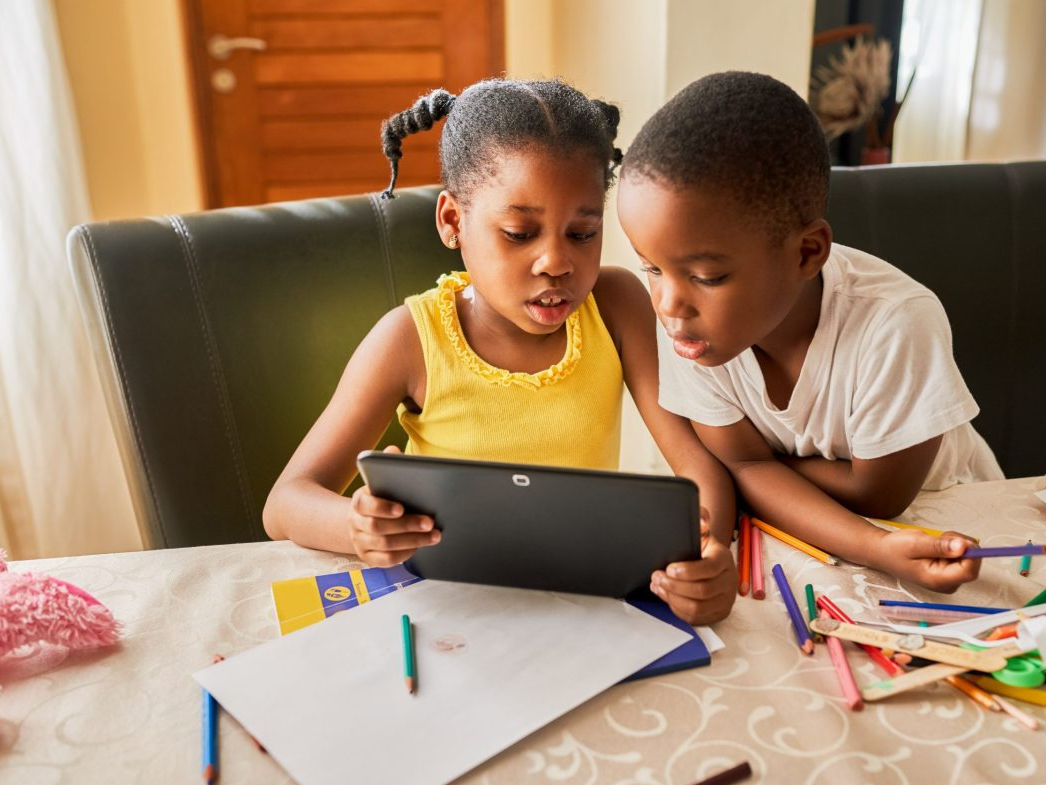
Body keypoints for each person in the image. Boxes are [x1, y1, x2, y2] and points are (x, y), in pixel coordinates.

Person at [263, 78, 736, 623]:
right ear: (452, 222)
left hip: (578, 602)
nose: (556, 262)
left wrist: (707, 555)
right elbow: (287, 501)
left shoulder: (615, 305)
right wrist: (358, 526)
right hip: (446, 609)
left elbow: (695, 464)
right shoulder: (409, 340)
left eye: (582, 234)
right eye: (518, 232)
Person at [616, 71, 1004, 593]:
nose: (668, 305)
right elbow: (742, 464)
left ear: (807, 252)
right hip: (826, 533)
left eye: (707, 277)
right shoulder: (693, 325)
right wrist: (748, 470)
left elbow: (875, 496)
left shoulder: (895, 323)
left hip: (946, 526)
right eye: (652, 269)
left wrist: (759, 467)